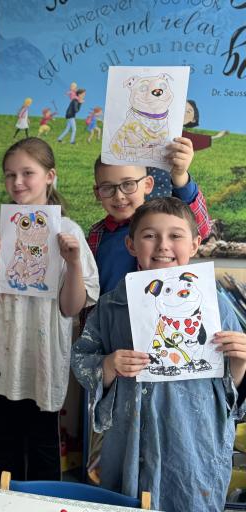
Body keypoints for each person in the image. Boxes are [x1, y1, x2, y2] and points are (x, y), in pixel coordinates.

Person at [71, 197, 246, 511]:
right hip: (129, 438)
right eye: (150, 235)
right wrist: (108, 365)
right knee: (127, 499)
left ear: (194, 244)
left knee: (190, 499)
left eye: (175, 236)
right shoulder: (113, 305)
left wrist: (241, 360)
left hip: (195, 439)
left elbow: (230, 387)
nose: (163, 245)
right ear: (131, 244)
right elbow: (82, 358)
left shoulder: (216, 305)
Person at [0, 137, 99, 484]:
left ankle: (45, 504)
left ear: (50, 176)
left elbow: (71, 308)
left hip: (42, 351)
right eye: (10, 175)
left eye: (28, 173)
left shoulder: (68, 232)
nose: (17, 183)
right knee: (5, 440)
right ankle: (4, 503)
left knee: (43, 442)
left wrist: (72, 265)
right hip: (0, 347)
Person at [87, 136, 211, 296]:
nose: (119, 196)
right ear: (98, 193)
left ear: (147, 185)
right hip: (108, 318)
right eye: (107, 187)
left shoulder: (162, 224)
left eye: (128, 184)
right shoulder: (97, 234)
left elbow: (202, 229)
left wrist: (180, 177)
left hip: (157, 315)